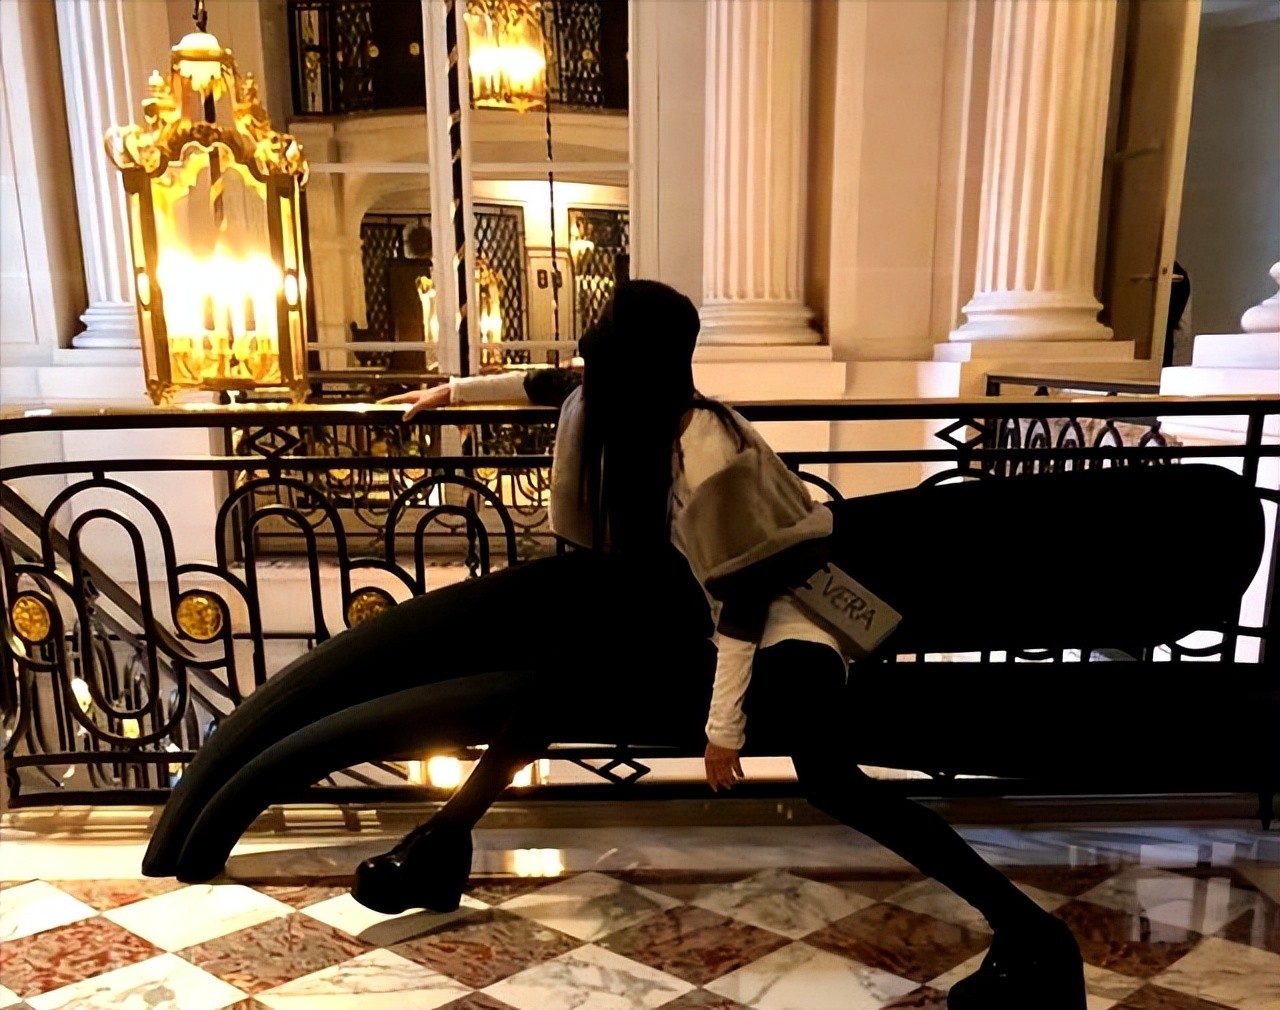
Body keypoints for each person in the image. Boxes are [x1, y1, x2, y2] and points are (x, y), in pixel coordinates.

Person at [377, 279, 1086, 1010]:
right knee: (553, 690)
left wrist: (724, 731)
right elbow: (547, 383)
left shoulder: (704, 444)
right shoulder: (621, 404)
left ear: (636, 361)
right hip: (707, 614)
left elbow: (749, 596)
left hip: (789, 623)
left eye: (607, 339)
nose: (591, 354)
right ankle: (441, 845)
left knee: (833, 782)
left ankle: (1033, 934)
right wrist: (451, 393)